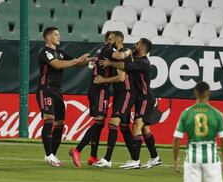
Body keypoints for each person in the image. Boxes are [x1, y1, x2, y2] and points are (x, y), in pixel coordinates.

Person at [69, 31, 125, 167]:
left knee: (99, 124)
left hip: (97, 89)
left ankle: (93, 156)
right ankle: (77, 150)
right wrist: (127, 53)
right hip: (100, 88)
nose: (108, 40)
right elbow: (121, 74)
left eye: (111, 38)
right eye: (109, 38)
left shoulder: (102, 49)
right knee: (99, 123)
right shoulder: (110, 51)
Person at [103, 38, 161, 169]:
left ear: (144, 48)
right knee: (145, 128)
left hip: (145, 99)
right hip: (140, 99)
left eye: (139, 43)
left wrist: (109, 63)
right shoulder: (136, 58)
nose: (136, 44)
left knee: (137, 127)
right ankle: (155, 158)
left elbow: (124, 66)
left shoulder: (144, 62)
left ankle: (135, 160)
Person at [37, 26, 90, 167]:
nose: (59, 37)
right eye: (56, 34)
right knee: (49, 119)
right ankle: (48, 155)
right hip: (46, 89)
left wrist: (88, 60)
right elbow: (58, 65)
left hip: (57, 91)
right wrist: (77, 61)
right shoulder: (45, 52)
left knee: (60, 123)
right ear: (48, 37)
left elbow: (77, 63)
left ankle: (52, 154)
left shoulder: (60, 52)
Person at [173, 81, 223, 182]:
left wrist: (175, 160)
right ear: (209, 93)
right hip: (211, 159)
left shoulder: (186, 113)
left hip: (192, 158)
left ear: (195, 93)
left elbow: (177, 138)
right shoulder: (217, 114)